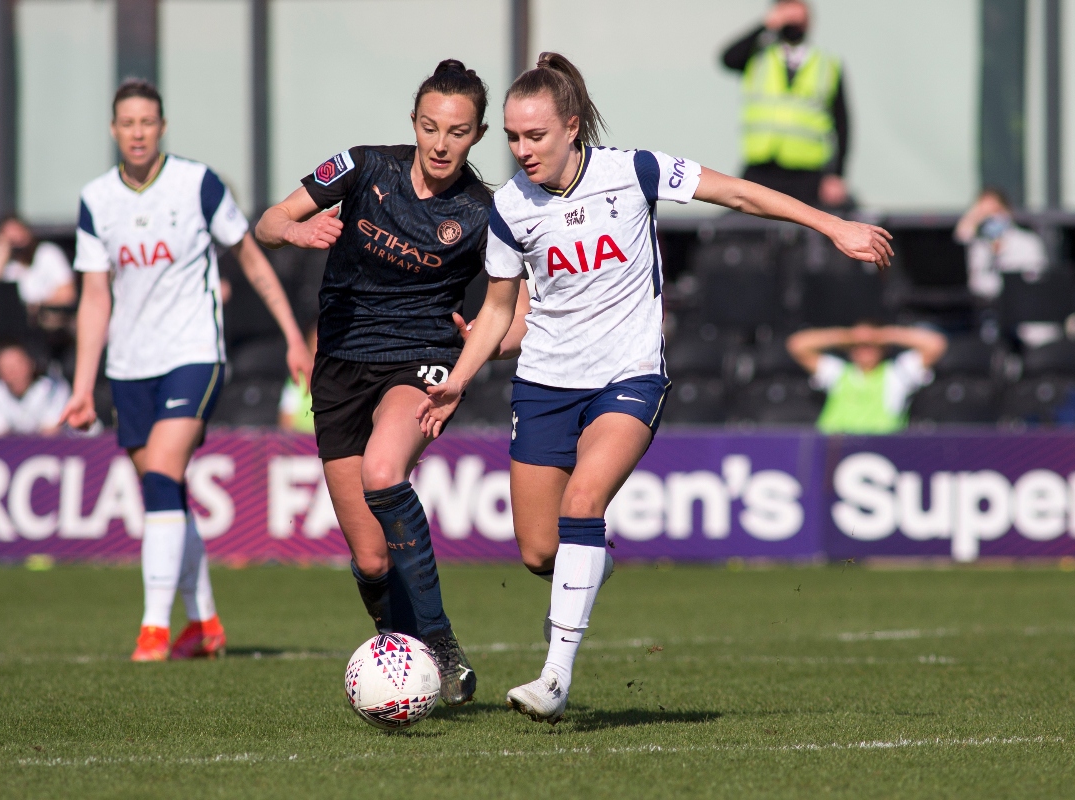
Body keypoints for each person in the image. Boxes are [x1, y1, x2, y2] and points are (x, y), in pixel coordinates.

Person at [417, 52, 892, 724]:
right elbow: (501, 312)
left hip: (628, 375)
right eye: (513, 138)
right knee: (537, 551)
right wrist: (459, 381)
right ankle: (592, 562)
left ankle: (555, 677)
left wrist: (833, 225)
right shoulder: (510, 210)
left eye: (536, 136)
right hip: (545, 383)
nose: (522, 150)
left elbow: (740, 193)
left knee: (584, 499)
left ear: (573, 127)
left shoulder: (633, 171)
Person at [256, 60, 517, 706]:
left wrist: (478, 351)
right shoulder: (363, 167)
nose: (439, 142)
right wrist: (295, 230)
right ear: (413, 123)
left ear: (478, 134)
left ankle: (441, 643)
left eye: (456, 131)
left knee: (382, 471)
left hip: (421, 359)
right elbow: (267, 221)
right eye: (430, 126)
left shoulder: (485, 213)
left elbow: (516, 312)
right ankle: (407, 660)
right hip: (340, 365)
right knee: (371, 561)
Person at [59, 79, 311, 662]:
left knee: (162, 475)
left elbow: (251, 257)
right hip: (129, 366)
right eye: (128, 122)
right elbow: (95, 299)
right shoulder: (97, 200)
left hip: (193, 355)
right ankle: (205, 624)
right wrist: (81, 386)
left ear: (162, 126)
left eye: (148, 121)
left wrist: (294, 337)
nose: (139, 131)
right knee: (163, 489)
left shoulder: (198, 184)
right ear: (114, 130)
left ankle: (153, 630)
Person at [721, 0, 850, 208]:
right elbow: (727, 58)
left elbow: (842, 123)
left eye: (798, 19)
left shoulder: (827, 64)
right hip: (761, 168)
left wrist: (837, 175)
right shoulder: (758, 56)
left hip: (808, 173)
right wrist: (766, 25)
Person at [787, 322, 947, 434]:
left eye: (870, 346)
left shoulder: (897, 373)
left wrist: (883, 334)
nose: (864, 350)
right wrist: (847, 336)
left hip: (880, 450)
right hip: (833, 447)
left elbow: (935, 344)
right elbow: (798, 345)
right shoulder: (838, 373)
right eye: (858, 346)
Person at [0, 215, 77, 309]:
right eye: (10, 235)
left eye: (18, 230)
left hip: (41, 319)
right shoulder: (5, 263)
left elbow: (67, 294)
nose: (17, 237)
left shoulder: (46, 253)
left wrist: (35, 306)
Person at [0, 342, 71, 436]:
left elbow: (51, 433)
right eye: (5, 368)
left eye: (17, 365)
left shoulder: (52, 387)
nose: (13, 372)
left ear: (31, 364)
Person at [279, 324, 316, 433]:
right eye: (315, 344)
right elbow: (285, 421)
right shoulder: (297, 380)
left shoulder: (341, 378)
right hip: (301, 444)